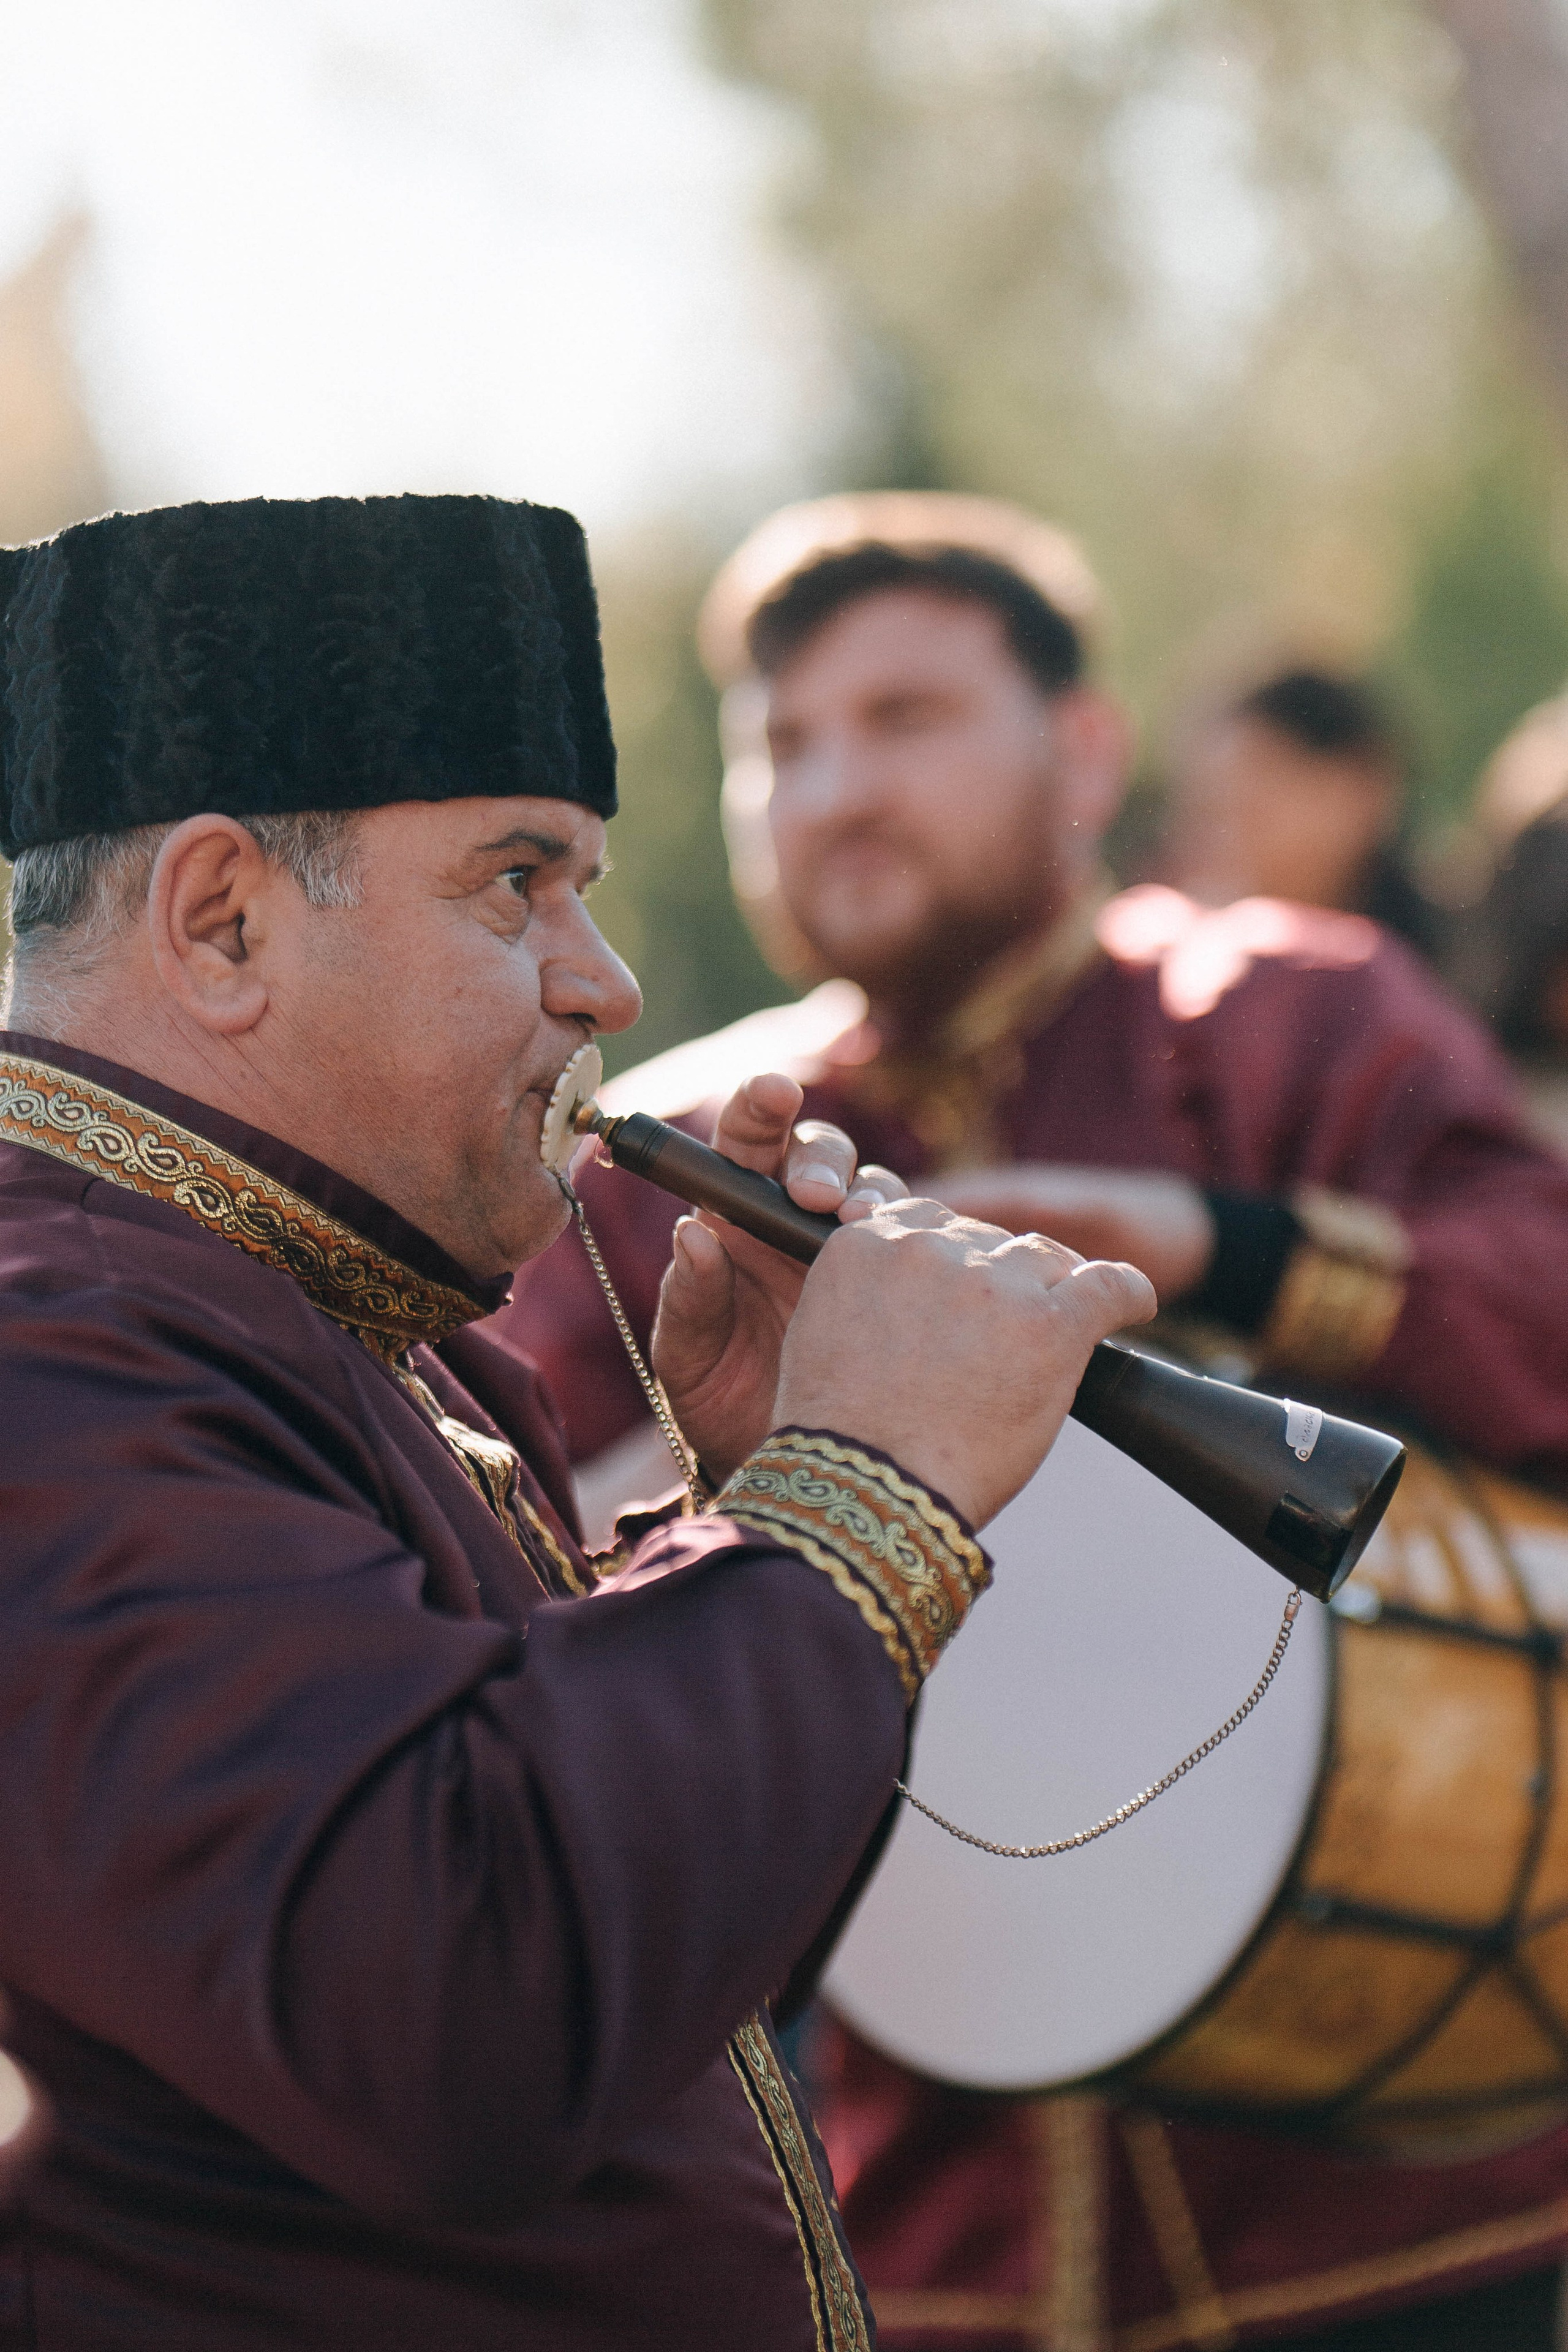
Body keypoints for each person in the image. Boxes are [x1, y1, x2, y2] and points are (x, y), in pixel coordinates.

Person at [0, 493, 1156, 2351]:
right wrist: (849, 1503)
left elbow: (633, 1963)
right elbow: (452, 2005)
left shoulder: (315, 1314)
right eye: (515, 881)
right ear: (220, 921)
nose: (603, 980)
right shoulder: (51, 1351)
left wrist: (743, 1507)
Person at [507, 492, 1568, 2348]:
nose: (830, 786)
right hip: (936, 2250)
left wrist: (1204, 1237)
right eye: (783, 742)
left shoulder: (1283, 1014)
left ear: (1084, 751)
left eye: (903, 718)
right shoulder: (670, 1156)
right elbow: (508, 1621)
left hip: (1388, 2214)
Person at [1163, 663, 1446, 963]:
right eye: (1207, 815)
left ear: (1360, 789)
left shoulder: (1449, 969)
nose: (1220, 842)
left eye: (1251, 810)